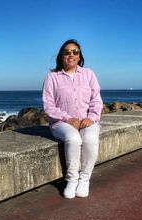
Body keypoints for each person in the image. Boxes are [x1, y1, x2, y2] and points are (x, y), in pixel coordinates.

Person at [42, 39, 103, 198]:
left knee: (90, 138)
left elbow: (96, 100)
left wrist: (91, 117)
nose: (71, 54)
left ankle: (85, 178)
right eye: (67, 52)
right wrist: (68, 119)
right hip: (61, 123)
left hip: (87, 120)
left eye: (75, 52)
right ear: (61, 56)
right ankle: (72, 179)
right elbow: (48, 106)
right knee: (73, 139)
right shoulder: (52, 77)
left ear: (79, 55)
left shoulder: (89, 74)